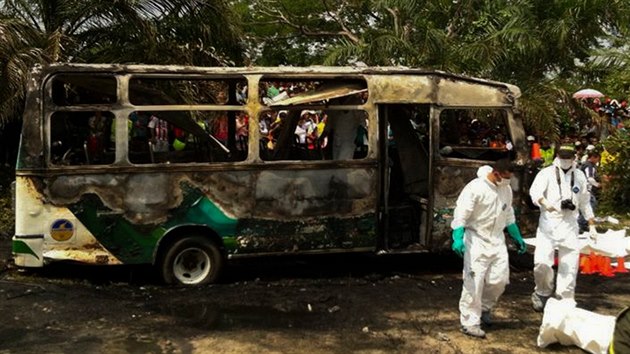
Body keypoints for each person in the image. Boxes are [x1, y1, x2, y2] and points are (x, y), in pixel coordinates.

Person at [451, 159, 527, 338]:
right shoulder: (475, 188)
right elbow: (461, 214)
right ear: (496, 173)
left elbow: (508, 214)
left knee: (499, 280)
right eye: (506, 177)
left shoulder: (506, 189)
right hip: (476, 240)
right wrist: (457, 237)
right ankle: (469, 321)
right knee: (474, 283)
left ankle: (485, 308)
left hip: (497, 240)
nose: (509, 180)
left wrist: (516, 236)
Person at [529, 144, 596, 312]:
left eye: (569, 157)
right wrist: (545, 203)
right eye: (563, 157)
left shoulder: (579, 175)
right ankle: (542, 292)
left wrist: (592, 224)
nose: (566, 161)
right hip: (549, 223)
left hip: (570, 224)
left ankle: (564, 298)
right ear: (557, 156)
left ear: (574, 157)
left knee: (569, 264)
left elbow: (585, 202)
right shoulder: (546, 173)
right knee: (542, 262)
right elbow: (534, 192)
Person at [578, 150, 601, 232]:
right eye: (597, 158)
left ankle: (582, 224)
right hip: (587, 189)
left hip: (581, 188)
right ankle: (581, 224)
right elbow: (590, 178)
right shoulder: (589, 166)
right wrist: (598, 185)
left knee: (584, 206)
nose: (598, 160)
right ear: (593, 157)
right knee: (590, 205)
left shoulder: (584, 164)